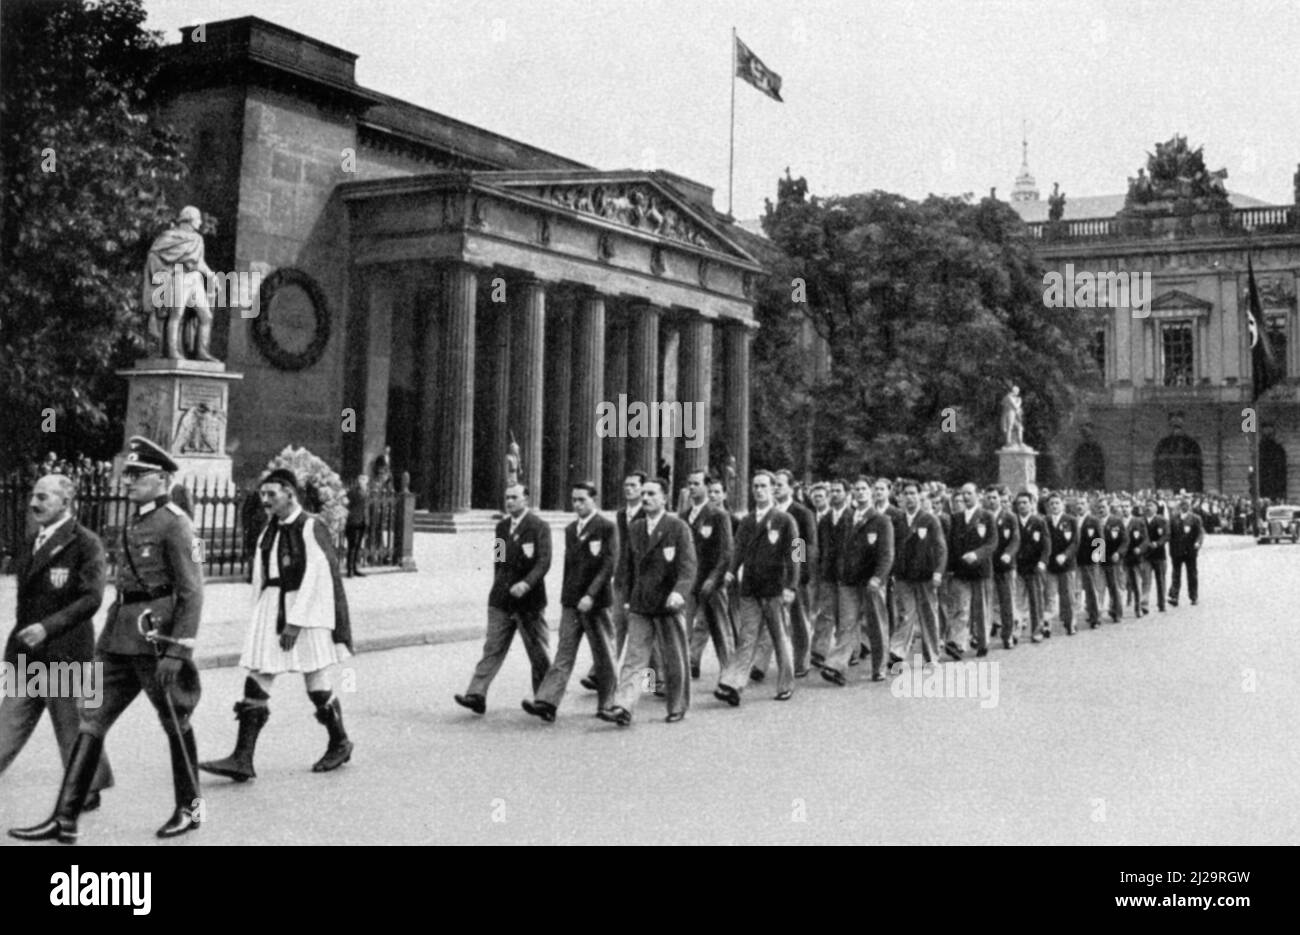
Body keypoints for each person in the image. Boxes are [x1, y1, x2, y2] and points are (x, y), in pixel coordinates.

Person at [10, 437, 204, 843]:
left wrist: (178, 648)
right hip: (118, 641)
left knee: (175, 720)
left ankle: (190, 807)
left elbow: (191, 591)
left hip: (155, 640)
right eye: (128, 473)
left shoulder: (176, 524)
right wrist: (105, 642)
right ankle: (64, 819)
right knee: (90, 719)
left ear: (163, 478)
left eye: (138, 475)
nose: (129, 480)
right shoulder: (136, 520)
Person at [199, 468, 354, 782]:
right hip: (272, 607)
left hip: (302, 612)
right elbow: (261, 573)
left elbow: (319, 575)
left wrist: (295, 622)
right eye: (263, 494)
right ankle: (242, 757)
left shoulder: (311, 526)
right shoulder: (270, 528)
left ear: (290, 493)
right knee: (259, 675)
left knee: (316, 681)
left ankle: (340, 741)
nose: (265, 500)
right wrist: (259, 613)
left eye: (272, 494)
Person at [0, 475, 114, 805]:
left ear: (65, 503)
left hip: (67, 652)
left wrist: (48, 628)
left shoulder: (86, 543)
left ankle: (88, 788)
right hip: (27, 652)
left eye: (43, 497)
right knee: (9, 721)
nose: (34, 503)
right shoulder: (33, 539)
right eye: (33, 496)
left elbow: (91, 598)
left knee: (73, 725)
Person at [599, 478, 696, 726]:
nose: (645, 498)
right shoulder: (635, 528)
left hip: (668, 603)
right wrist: (628, 596)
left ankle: (677, 705)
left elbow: (688, 567)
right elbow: (629, 566)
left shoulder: (678, 527)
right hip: (641, 603)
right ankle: (623, 706)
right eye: (643, 493)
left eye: (651, 493)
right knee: (634, 658)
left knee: (673, 658)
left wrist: (679, 593)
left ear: (665, 498)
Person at [523, 482, 618, 722]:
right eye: (574, 500)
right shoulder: (570, 529)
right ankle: (547, 701)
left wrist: (591, 595)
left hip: (596, 603)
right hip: (572, 602)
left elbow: (608, 565)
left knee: (603, 656)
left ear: (593, 500)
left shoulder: (607, 527)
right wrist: (567, 597)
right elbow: (569, 567)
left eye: (582, 500)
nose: (577, 505)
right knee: (563, 654)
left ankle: (607, 704)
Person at [455, 484, 551, 714]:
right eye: (507, 497)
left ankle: (547, 699)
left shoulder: (539, 527)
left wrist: (526, 583)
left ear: (526, 499)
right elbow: (498, 559)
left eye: (514, 497)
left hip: (529, 601)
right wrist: (498, 586)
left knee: (538, 652)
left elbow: (543, 561)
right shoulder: (501, 527)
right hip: (501, 600)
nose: (509, 502)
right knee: (492, 648)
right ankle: (476, 694)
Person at [714, 471, 798, 706]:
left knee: (780, 637)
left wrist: (792, 585)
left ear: (773, 489)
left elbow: (796, 554)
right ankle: (733, 683)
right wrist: (731, 571)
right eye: (755, 486)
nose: (758, 491)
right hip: (750, 587)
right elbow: (737, 549)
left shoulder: (785, 520)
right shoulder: (747, 521)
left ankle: (785, 684)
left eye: (763, 486)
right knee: (747, 637)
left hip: (775, 588)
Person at [822, 476, 894, 685]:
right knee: (844, 623)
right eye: (857, 489)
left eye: (864, 489)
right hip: (846, 580)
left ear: (870, 492)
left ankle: (879, 666)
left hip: (870, 581)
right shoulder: (836, 518)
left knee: (876, 625)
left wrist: (879, 577)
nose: (860, 492)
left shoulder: (882, 520)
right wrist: (805, 572)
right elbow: (820, 547)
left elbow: (887, 553)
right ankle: (833, 664)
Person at [142, 205, 217, 361]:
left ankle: (202, 351)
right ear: (189, 220)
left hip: (194, 278)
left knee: (206, 316)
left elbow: (199, 261)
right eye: (198, 219)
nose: (200, 222)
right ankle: (172, 351)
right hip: (178, 277)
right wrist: (164, 275)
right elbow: (154, 257)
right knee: (177, 315)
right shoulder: (169, 236)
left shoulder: (198, 239)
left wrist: (211, 275)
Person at [681, 471, 735, 680]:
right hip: (689, 584)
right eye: (689, 484)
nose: (692, 487)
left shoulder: (719, 515)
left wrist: (715, 578)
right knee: (685, 628)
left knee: (721, 629)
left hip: (712, 582)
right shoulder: (684, 516)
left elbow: (727, 551)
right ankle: (686, 667)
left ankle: (730, 676)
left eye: (696, 483)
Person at [889, 480, 947, 666]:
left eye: (913, 493)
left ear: (921, 497)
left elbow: (940, 548)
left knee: (928, 614)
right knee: (905, 613)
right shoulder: (897, 520)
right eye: (906, 494)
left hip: (925, 576)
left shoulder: (930, 520)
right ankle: (897, 651)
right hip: (903, 576)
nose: (910, 498)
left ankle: (931, 654)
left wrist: (938, 571)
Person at [944, 482, 997, 659]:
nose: (966, 497)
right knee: (961, 607)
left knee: (980, 608)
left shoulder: (986, 517)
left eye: (969, 494)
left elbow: (992, 543)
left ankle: (982, 641)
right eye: (963, 494)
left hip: (980, 569)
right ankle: (957, 643)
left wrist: (977, 554)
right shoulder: (956, 517)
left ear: (977, 495)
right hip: (961, 570)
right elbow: (951, 544)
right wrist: (950, 567)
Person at [813, 479, 850, 668]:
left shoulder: (852, 517)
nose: (834, 494)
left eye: (838, 491)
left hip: (845, 575)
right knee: (825, 613)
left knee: (845, 615)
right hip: (825, 573)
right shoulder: (819, 518)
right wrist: (803, 566)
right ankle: (818, 651)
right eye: (832, 491)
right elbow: (807, 543)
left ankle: (849, 652)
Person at [1010, 490, 1047, 648]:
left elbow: (1046, 544)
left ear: (1032, 504)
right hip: (1018, 567)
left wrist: (1043, 562)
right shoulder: (1013, 521)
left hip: (1034, 567)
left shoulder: (1039, 521)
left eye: (1025, 502)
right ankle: (1016, 631)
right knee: (1017, 601)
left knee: (1036, 601)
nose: (1022, 506)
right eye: (1019, 503)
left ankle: (1037, 631)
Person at [986, 486, 1020, 643]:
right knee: (988, 601)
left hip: (1005, 565)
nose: (992, 501)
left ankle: (1008, 634)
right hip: (987, 565)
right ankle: (984, 633)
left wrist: (1008, 553)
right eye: (989, 498)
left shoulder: (1010, 517)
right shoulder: (984, 516)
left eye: (994, 497)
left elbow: (1015, 539)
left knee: (1007, 601)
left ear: (1001, 498)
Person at [1042, 492, 1078, 639]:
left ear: (1062, 504)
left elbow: (1075, 542)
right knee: (1049, 596)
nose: (1054, 506)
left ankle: (1070, 623)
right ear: (1048, 507)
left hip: (1067, 565)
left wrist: (1065, 555)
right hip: (1050, 565)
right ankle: (1047, 625)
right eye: (1051, 504)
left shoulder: (1071, 520)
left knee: (1068, 596)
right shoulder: (1044, 521)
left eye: (1057, 503)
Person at [1076, 498, 1108, 631]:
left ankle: (1096, 617)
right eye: (1078, 504)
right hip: (1077, 561)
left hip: (1091, 561)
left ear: (1088, 505)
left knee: (1092, 589)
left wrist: (1098, 559)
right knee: (1080, 589)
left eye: (1082, 503)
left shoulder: (1093, 520)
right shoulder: (1074, 521)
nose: (1079, 506)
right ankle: (1089, 611)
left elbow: (1100, 539)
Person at [1168, 499, 1204, 606]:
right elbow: (1170, 534)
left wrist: (1198, 543)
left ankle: (1194, 596)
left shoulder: (1195, 518)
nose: (1184, 507)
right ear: (1179, 506)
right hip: (1177, 551)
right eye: (1182, 505)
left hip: (1190, 551)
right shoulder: (1174, 518)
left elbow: (1200, 533)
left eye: (1186, 505)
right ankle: (1174, 597)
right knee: (1176, 574)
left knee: (1192, 574)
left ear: (1189, 506)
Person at [1102, 498, 1130, 622]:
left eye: (1103, 507)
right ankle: (1100, 610)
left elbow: (1124, 540)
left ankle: (1117, 612)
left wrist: (1119, 553)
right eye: (1099, 507)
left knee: (1115, 586)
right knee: (1101, 587)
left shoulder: (1116, 521)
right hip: (1100, 559)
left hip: (1113, 559)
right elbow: (1094, 541)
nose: (1101, 509)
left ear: (1108, 508)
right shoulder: (1095, 521)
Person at [1124, 501, 1152, 617]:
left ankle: (1138, 607)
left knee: (1136, 583)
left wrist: (1139, 549)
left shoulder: (1138, 522)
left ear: (1130, 508)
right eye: (1121, 507)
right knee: (1121, 584)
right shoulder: (1116, 521)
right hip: (1119, 558)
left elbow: (1146, 540)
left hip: (1133, 557)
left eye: (1126, 506)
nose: (1124, 509)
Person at [1144, 499, 1169, 612]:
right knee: (1146, 580)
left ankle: (1161, 603)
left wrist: (1158, 543)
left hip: (1159, 554)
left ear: (1156, 508)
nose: (1148, 508)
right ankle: (1144, 604)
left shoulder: (1162, 520)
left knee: (1160, 580)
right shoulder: (1141, 521)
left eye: (1151, 505)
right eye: (1147, 505)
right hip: (1145, 555)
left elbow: (1166, 535)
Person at [344, 474, 369, 577]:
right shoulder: (353, 492)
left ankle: (355, 568)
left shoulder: (367, 492)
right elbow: (347, 505)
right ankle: (349, 569)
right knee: (352, 546)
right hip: (353, 521)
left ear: (367, 481)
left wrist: (367, 520)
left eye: (364, 479)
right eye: (360, 479)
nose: (361, 481)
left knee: (358, 545)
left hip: (363, 521)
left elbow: (366, 508)